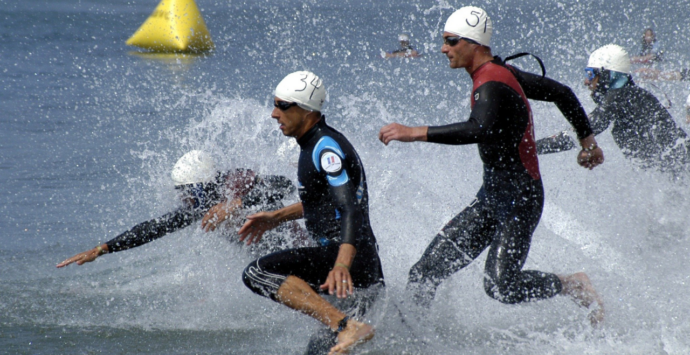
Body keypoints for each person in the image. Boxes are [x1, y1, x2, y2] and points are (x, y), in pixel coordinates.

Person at [378, 6, 605, 324]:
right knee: (425, 272)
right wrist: (588, 143)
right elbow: (562, 93)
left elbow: (479, 128)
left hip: (520, 201)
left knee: (501, 285)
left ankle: (572, 285)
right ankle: (413, 339)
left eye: (451, 41)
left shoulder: (493, 82)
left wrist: (414, 132)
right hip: (492, 198)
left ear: (474, 43)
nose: (444, 48)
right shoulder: (500, 74)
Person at [237, 71, 384, 355]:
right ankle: (347, 326)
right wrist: (276, 217)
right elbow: (323, 202)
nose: (273, 114)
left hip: (349, 263)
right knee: (318, 351)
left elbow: (349, 207)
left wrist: (341, 265)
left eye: (282, 105)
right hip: (358, 265)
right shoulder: (313, 143)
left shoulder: (325, 148)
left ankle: (346, 326)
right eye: (274, 104)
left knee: (257, 272)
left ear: (305, 110)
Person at [57, 150, 302, 268]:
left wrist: (236, 204)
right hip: (267, 257)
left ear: (207, 184)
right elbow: (155, 228)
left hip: (295, 246)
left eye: (191, 191)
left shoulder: (234, 184)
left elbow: (283, 184)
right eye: (182, 193)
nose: (187, 199)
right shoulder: (199, 206)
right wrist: (103, 248)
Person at [537, 44, 690, 177]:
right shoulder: (630, 95)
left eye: (590, 73)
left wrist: (529, 147)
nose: (586, 81)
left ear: (606, 74)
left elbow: (583, 130)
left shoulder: (620, 96)